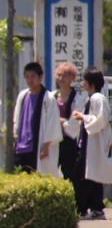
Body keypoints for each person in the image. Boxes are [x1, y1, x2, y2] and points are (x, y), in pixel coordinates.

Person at [70, 67, 112, 220]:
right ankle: (96, 208)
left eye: (85, 81)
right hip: (90, 144)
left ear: (91, 83)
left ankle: (83, 209)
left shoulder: (97, 99)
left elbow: (101, 119)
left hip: (93, 145)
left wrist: (83, 117)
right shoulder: (94, 98)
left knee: (82, 177)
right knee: (92, 177)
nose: (83, 83)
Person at [12, 62, 62, 175]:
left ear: (40, 77)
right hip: (21, 146)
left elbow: (52, 122)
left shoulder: (48, 98)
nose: (30, 80)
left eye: (33, 76)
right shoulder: (23, 95)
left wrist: (46, 145)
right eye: (27, 76)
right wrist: (15, 137)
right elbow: (17, 117)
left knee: (38, 176)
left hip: (37, 146)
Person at [55, 62, 88, 209]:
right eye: (59, 74)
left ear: (72, 78)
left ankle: (76, 206)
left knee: (71, 173)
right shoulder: (52, 96)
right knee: (52, 173)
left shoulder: (79, 98)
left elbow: (74, 123)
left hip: (70, 141)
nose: (61, 78)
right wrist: (62, 121)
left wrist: (60, 121)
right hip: (54, 140)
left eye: (66, 75)